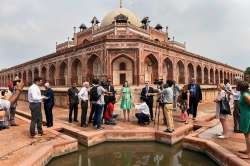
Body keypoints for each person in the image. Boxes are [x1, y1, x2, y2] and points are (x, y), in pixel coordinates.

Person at [237, 81, 250, 159]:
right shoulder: (244, 94)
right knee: (247, 134)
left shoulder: (245, 95)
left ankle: (249, 154)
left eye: (237, 85)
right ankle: (247, 150)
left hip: (247, 116)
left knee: (247, 135)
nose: (236, 86)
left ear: (241, 87)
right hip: (245, 115)